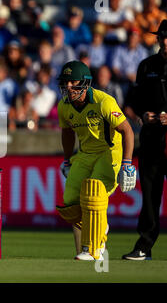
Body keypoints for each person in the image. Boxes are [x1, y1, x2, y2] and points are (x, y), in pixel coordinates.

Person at [56, 60, 136, 261]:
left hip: (110, 152)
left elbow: (127, 131)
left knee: (95, 193)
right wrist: (67, 160)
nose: (68, 87)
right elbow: (67, 134)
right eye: (65, 82)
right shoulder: (64, 106)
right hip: (85, 154)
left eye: (73, 82)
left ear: (85, 83)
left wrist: (127, 164)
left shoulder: (103, 101)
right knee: (71, 203)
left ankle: (93, 249)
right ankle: (101, 224)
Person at [122, 19, 167, 261]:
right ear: (156, 39)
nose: (165, 42)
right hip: (151, 140)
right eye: (162, 37)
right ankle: (144, 246)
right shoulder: (146, 66)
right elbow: (133, 102)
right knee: (150, 198)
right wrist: (142, 114)